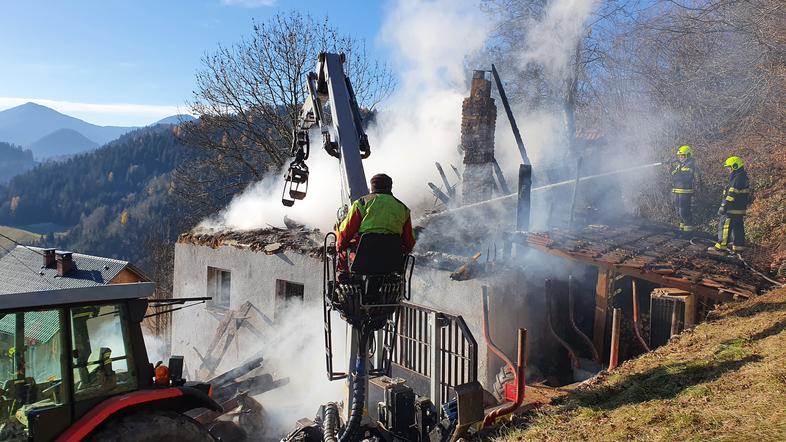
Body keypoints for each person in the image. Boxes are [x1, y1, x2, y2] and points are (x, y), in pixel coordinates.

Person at [336, 174, 416, 272]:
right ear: (390, 187)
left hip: (363, 257)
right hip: (392, 260)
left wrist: (340, 246)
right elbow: (410, 242)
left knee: (344, 251)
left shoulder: (362, 203)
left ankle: (344, 279)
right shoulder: (403, 208)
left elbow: (346, 231)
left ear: (372, 187)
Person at [709, 156, 751, 253]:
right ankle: (738, 248)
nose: (728, 170)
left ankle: (720, 247)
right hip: (739, 209)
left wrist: (724, 206)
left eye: (729, 167)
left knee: (724, 226)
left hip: (731, 208)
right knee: (738, 228)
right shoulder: (743, 177)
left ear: (735, 166)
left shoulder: (737, 179)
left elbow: (731, 195)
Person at [671, 145, 697, 234]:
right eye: (679, 156)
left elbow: (683, 177)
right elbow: (674, 175)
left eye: (682, 156)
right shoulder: (680, 164)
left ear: (688, 155)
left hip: (685, 192)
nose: (680, 157)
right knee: (678, 210)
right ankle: (682, 229)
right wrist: (670, 167)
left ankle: (688, 232)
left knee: (684, 211)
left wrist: (675, 172)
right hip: (678, 191)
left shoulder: (690, 164)